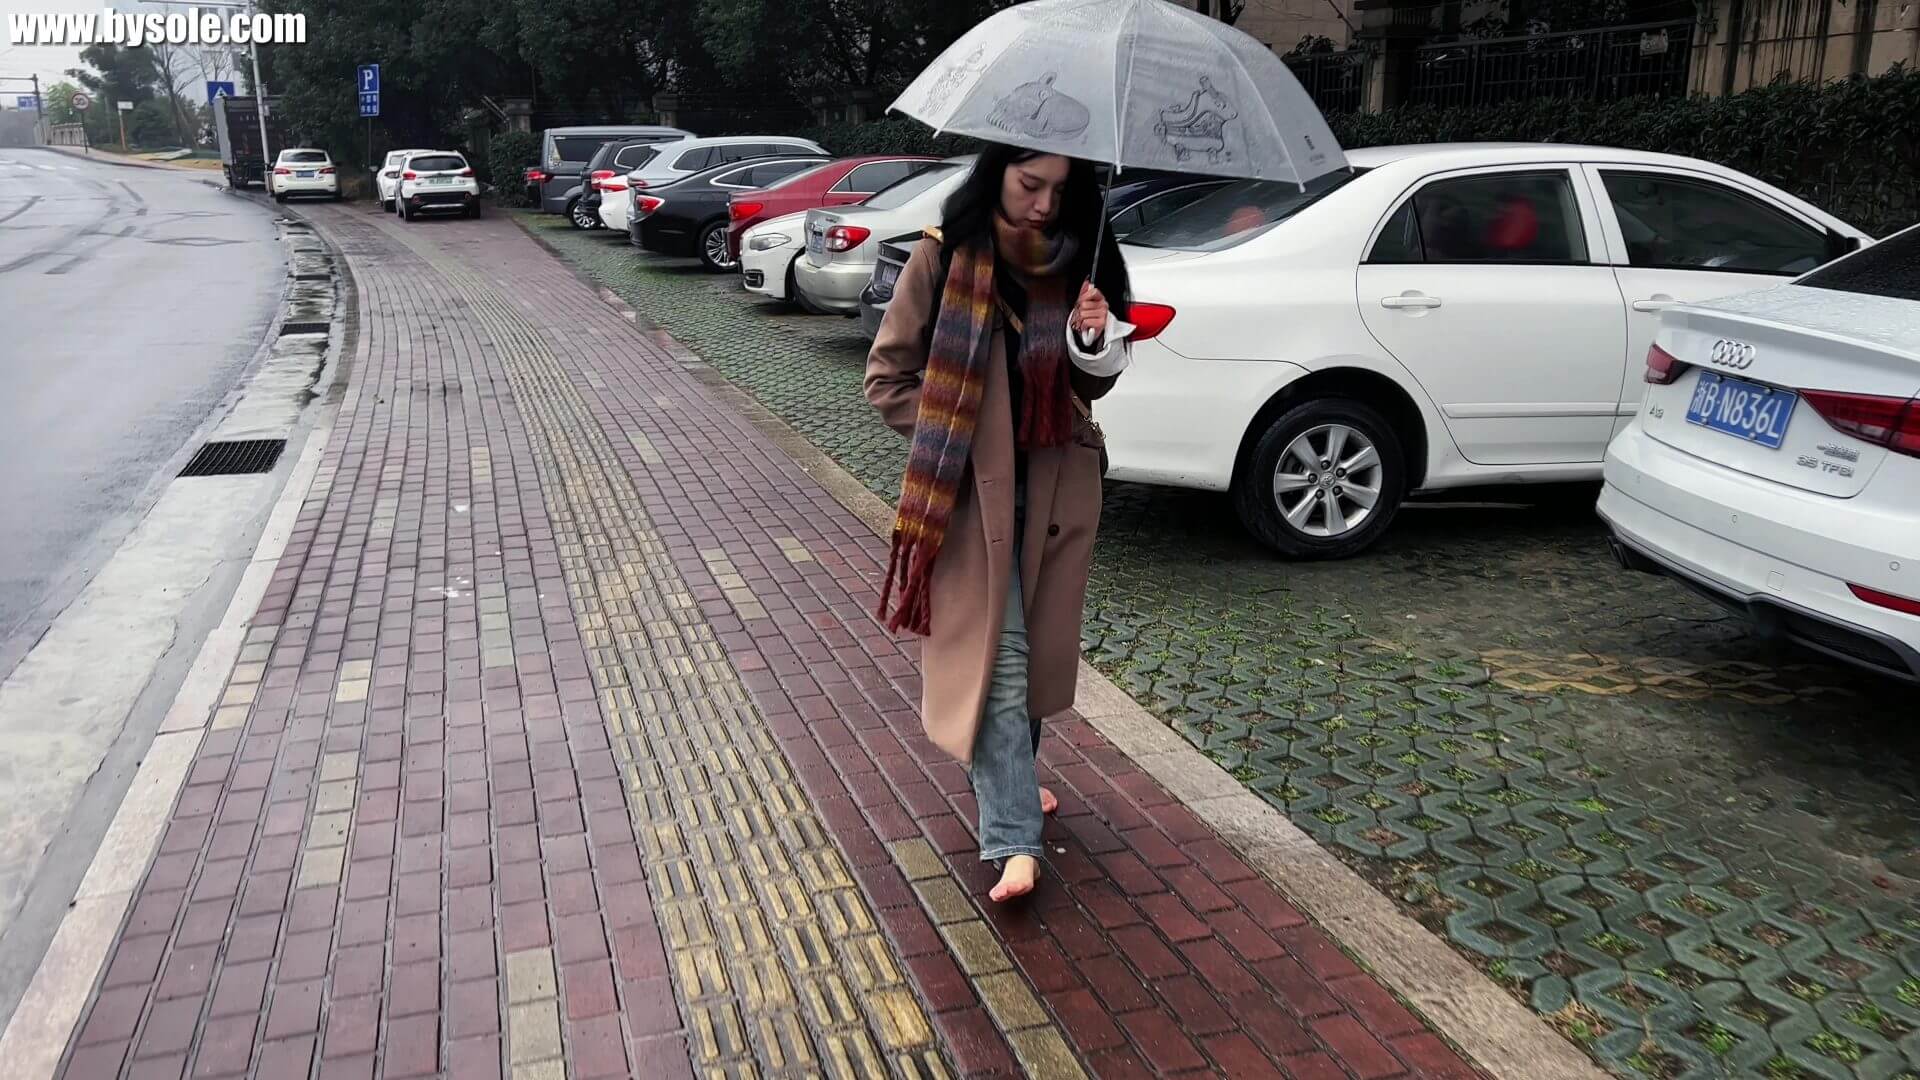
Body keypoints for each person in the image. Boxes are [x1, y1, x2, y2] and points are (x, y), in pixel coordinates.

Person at [865, 143, 1133, 902]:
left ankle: (1008, 771)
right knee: (1002, 659)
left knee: (1035, 653)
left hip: (1050, 491)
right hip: (966, 496)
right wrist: (961, 425)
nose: (1043, 204)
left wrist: (1092, 335)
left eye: (1058, 190)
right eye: (1029, 183)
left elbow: (1089, 388)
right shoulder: (942, 256)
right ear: (997, 175)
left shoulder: (1071, 263)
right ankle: (1015, 839)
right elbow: (887, 380)